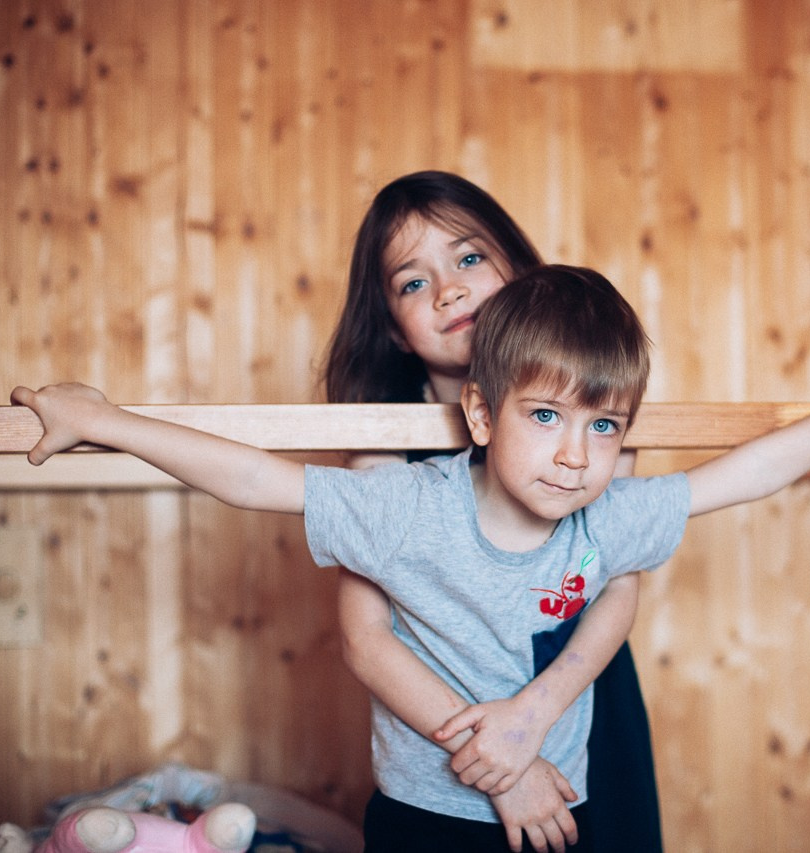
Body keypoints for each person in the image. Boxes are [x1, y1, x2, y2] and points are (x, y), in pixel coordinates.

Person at [11, 264, 810, 853]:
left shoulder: (607, 517)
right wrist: (105, 421)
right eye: (545, 417)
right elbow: (255, 478)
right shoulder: (408, 506)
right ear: (484, 415)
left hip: (555, 817)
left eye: (603, 427)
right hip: (431, 822)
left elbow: (747, 474)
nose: (575, 453)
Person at [322, 171, 665, 851]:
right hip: (444, 722)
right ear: (393, 329)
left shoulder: (593, 419)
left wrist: (537, 712)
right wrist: (504, 769)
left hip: (581, 688)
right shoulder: (383, 449)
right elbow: (367, 637)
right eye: (412, 282)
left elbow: (617, 580)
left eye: (469, 258)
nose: (449, 288)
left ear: (520, 267)